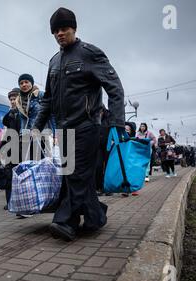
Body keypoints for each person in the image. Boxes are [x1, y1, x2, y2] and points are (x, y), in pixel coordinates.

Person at [33, 7, 125, 241]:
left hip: (87, 125)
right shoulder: (54, 62)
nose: (59, 34)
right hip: (63, 129)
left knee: (77, 174)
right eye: (55, 31)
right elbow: (48, 99)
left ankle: (65, 222)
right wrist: (35, 126)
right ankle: (96, 217)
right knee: (72, 175)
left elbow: (115, 88)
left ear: (74, 28)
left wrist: (117, 122)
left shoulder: (90, 54)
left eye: (64, 29)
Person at [0, 88, 22, 212]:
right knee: (9, 176)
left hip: (21, 149)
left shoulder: (22, 113)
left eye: (15, 99)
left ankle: (19, 201)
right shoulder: (11, 114)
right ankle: (9, 202)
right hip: (11, 149)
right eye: (11, 99)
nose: (13, 101)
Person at [95, 106, 112, 197]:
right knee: (98, 166)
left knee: (108, 167)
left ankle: (108, 187)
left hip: (108, 145)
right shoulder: (93, 117)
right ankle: (99, 187)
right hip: (97, 146)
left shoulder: (108, 117)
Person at [122, 123, 139, 197]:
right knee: (124, 173)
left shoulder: (134, 138)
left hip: (132, 158)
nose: (126, 130)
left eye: (128, 129)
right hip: (124, 157)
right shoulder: (121, 137)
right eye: (125, 129)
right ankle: (125, 190)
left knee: (132, 172)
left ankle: (134, 189)